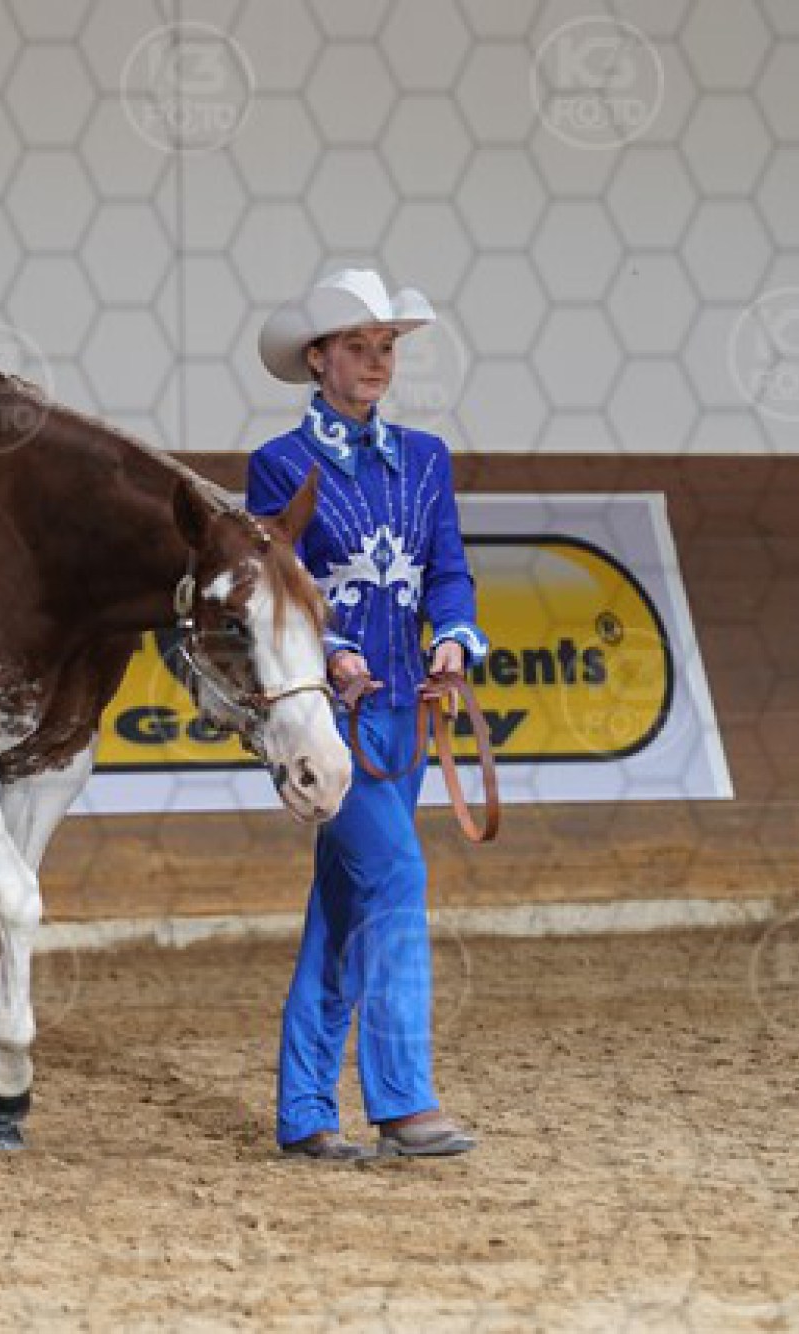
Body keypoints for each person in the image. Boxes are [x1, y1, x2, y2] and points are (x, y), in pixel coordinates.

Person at [247, 268, 489, 1162]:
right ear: (319, 359)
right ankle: (403, 1102)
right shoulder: (280, 465)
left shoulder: (427, 460)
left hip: (406, 717)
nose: (377, 361)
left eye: (385, 347)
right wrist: (335, 647)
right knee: (396, 878)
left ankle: (305, 1111)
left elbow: (447, 569)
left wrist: (453, 635)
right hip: (328, 717)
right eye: (358, 346)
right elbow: (276, 587)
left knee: (344, 904)